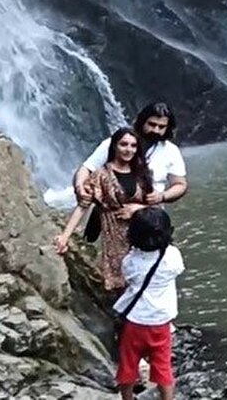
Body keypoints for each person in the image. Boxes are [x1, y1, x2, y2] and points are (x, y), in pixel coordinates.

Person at [55, 127, 156, 292]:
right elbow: (83, 206)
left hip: (143, 233)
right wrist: (64, 237)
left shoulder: (142, 174)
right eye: (124, 144)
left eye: (133, 145)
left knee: (148, 281)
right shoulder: (100, 175)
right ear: (114, 146)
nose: (128, 149)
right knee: (121, 283)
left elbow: (153, 206)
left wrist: (137, 208)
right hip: (115, 237)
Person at [115, 207, 184, 400]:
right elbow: (178, 269)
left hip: (135, 322)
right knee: (163, 366)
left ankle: (127, 398)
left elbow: (128, 277)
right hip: (161, 322)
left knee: (128, 364)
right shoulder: (172, 256)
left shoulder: (130, 261)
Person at [76, 102, 187, 205]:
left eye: (161, 127)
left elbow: (180, 184)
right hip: (112, 208)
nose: (156, 130)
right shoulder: (116, 143)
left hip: (150, 212)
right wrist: (80, 187)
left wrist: (162, 196)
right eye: (152, 124)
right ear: (142, 122)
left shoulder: (171, 150)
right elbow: (87, 168)